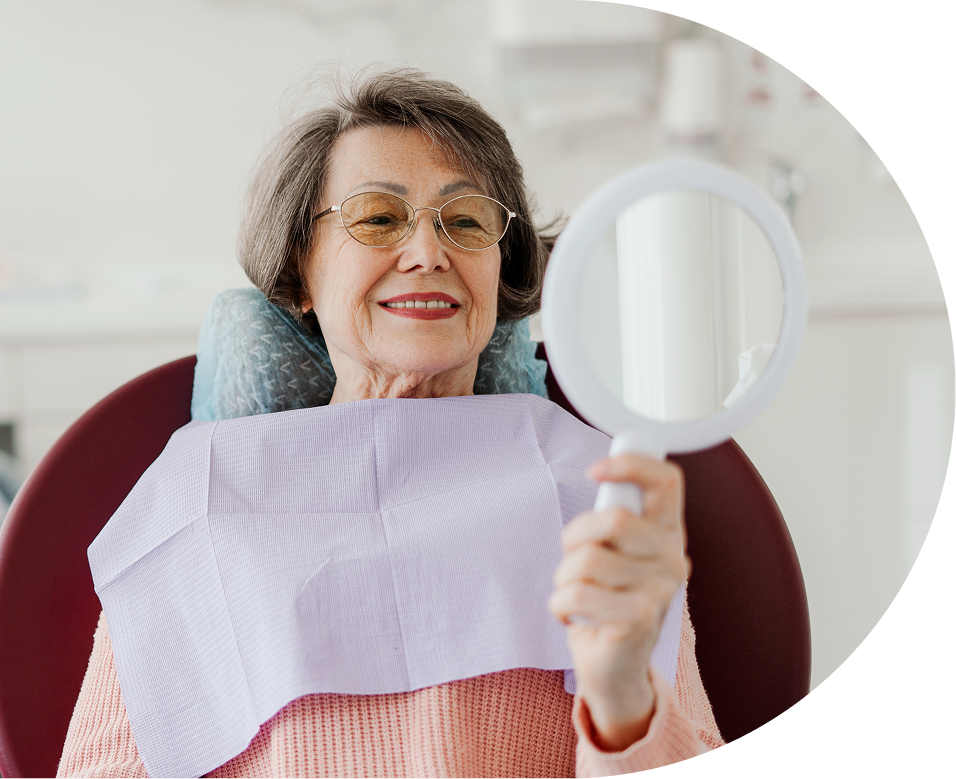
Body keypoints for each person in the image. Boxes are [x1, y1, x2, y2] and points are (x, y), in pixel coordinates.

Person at [57, 68, 723, 778]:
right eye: (377, 217)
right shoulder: (199, 500)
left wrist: (627, 703)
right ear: (299, 267)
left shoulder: (599, 494)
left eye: (466, 220)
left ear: (502, 268)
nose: (429, 253)